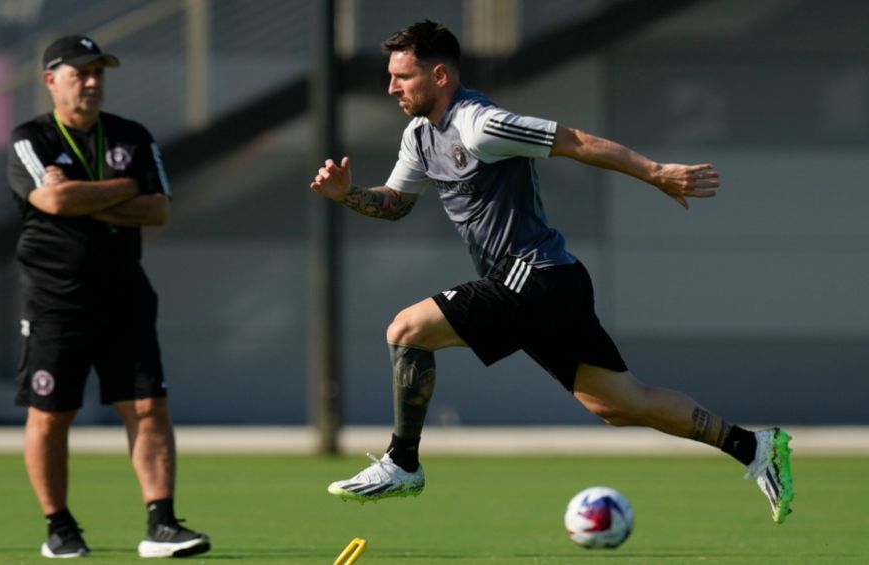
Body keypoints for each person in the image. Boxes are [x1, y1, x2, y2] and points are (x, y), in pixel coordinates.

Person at [309, 20, 794, 524]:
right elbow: (396, 203)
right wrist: (348, 194)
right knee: (619, 404)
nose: (392, 87)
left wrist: (656, 173)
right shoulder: (419, 135)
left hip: (534, 275)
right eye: (391, 77)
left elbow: (573, 139)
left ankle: (402, 463)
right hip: (547, 282)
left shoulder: (481, 123)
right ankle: (753, 445)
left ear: (439, 76)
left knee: (407, 329)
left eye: (402, 77)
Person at [7, 35, 210, 558]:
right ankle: (60, 528)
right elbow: (48, 197)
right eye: (80, 73)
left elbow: (159, 210)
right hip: (55, 302)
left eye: (99, 73)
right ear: (51, 80)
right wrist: (124, 188)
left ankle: (161, 525)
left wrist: (80, 196)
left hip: (125, 297)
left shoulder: (132, 135)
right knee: (51, 415)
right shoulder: (29, 138)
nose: (92, 83)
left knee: (148, 406)